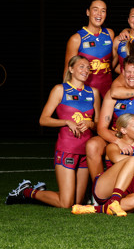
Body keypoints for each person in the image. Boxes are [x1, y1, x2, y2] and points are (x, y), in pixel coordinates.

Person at [7, 56, 101, 207]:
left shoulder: (93, 93)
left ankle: (36, 191)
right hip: (67, 149)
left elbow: (99, 125)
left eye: (88, 67)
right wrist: (66, 122)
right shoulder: (60, 89)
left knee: (76, 203)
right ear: (71, 69)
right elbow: (43, 119)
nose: (85, 70)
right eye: (81, 66)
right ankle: (26, 191)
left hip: (86, 151)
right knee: (65, 203)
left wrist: (91, 123)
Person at [71, 114, 134, 216]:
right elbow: (117, 159)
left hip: (125, 193)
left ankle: (99, 208)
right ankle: (114, 201)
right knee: (133, 160)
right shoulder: (113, 146)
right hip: (104, 189)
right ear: (123, 130)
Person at [85, 55, 134, 181]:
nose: (131, 75)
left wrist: (126, 140)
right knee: (92, 145)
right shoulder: (113, 93)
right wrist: (119, 141)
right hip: (114, 136)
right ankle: (97, 191)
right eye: (128, 71)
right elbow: (101, 129)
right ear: (122, 71)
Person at [65, 0, 115, 97]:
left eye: (103, 11)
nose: (99, 14)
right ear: (88, 12)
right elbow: (67, 72)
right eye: (95, 10)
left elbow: (112, 62)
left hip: (107, 93)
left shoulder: (110, 34)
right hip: (85, 94)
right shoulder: (76, 38)